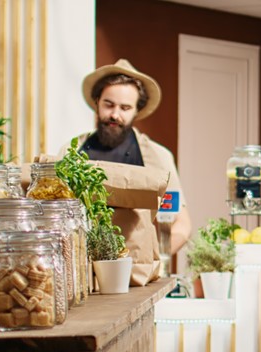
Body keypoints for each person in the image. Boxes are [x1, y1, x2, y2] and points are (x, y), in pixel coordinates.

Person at [74, 59, 193, 256]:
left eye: (125, 108)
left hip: (135, 268)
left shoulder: (158, 158)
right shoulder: (71, 152)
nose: (115, 114)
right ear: (97, 102)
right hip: (79, 268)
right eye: (109, 105)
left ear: (137, 110)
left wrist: (155, 259)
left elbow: (182, 224)